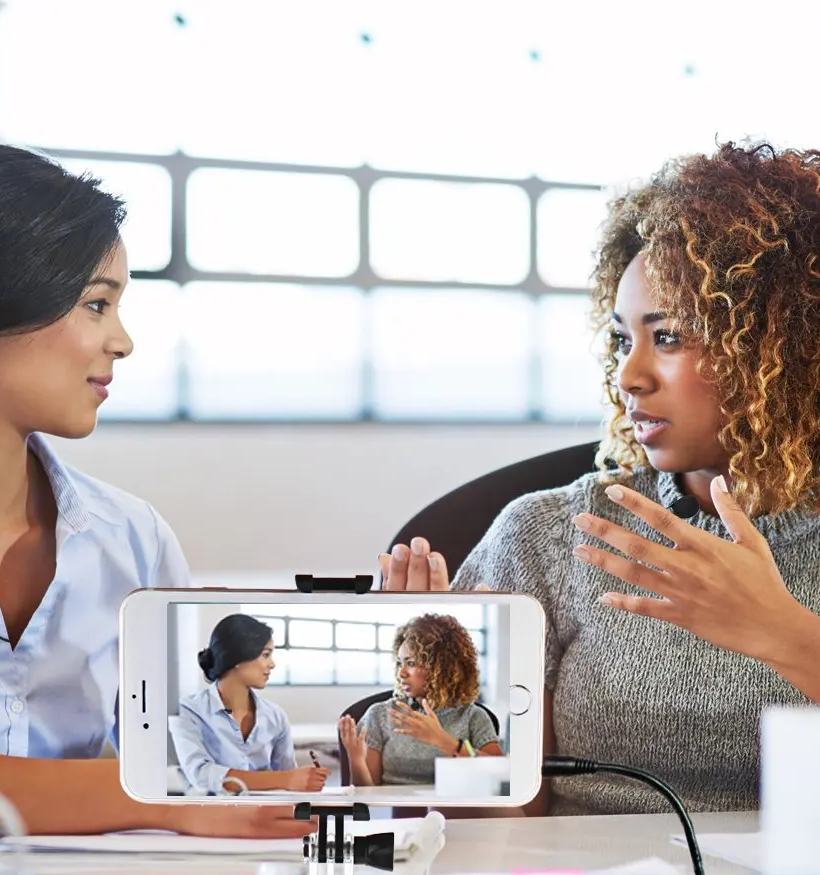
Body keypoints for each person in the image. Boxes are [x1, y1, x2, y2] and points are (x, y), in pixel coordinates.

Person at [0, 144, 310, 842]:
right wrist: (149, 796)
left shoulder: (134, 539)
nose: (123, 342)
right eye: (96, 304)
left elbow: (189, 768)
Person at [380, 141, 820, 815]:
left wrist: (785, 634)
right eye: (622, 339)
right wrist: (437, 711)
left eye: (668, 337)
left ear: (783, 349)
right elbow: (492, 818)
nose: (629, 375)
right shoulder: (549, 535)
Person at [171, 614, 330, 793]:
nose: (272, 664)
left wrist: (304, 781)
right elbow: (201, 775)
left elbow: (289, 783)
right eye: (265, 655)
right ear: (238, 658)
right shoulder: (188, 711)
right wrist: (285, 779)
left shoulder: (275, 716)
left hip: (264, 815)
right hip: (211, 815)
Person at [338, 613, 501, 786]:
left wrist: (447, 742)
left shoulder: (473, 717)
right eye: (400, 663)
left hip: (454, 811)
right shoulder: (380, 715)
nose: (401, 673)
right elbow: (367, 795)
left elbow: (498, 773)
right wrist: (355, 759)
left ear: (442, 666)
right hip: (401, 812)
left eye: (411, 663)